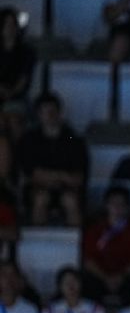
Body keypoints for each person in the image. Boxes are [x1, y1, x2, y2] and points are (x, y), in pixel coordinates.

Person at [17, 93, 88, 227]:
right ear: (38, 114)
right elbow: (32, 174)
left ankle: (73, 244)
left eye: (53, 111)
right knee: (41, 199)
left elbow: (78, 177)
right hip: (38, 189)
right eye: (45, 111)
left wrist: (53, 177)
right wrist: (61, 176)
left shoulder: (74, 140)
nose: (50, 115)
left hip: (68, 189)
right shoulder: (29, 140)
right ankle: (38, 244)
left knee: (70, 201)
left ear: (60, 112)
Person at [82, 186, 130, 300]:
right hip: (99, 276)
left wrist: (120, 277)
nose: (117, 208)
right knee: (86, 285)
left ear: (127, 207)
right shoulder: (94, 230)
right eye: (113, 204)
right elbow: (88, 261)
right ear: (106, 205)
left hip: (126, 278)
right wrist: (105, 278)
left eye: (121, 204)